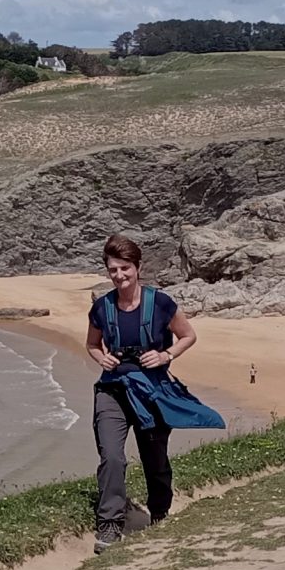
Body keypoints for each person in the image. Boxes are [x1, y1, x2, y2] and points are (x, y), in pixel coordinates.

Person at [84, 235, 201, 553]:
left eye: (125, 268)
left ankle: (160, 513)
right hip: (112, 390)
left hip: (152, 391)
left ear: (137, 267)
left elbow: (188, 336)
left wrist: (165, 355)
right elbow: (92, 345)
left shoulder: (161, 303)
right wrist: (101, 358)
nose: (119, 275)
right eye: (113, 270)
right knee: (111, 456)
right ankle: (110, 523)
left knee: (155, 458)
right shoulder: (102, 307)